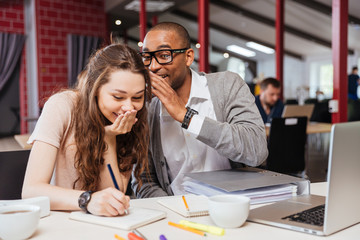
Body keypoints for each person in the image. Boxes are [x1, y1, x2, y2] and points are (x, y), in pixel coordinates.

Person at [131, 22, 268, 197]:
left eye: (164, 55)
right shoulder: (147, 108)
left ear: (188, 57)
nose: (153, 66)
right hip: (178, 214)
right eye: (147, 57)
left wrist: (186, 116)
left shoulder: (227, 85)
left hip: (233, 206)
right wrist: (173, 209)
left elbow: (257, 152)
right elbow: (144, 180)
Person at [22, 44, 152, 216]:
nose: (129, 107)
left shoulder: (133, 121)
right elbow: (31, 190)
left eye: (137, 97)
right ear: (95, 88)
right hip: (60, 222)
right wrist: (87, 200)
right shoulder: (62, 106)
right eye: (118, 97)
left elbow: (113, 197)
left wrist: (109, 139)